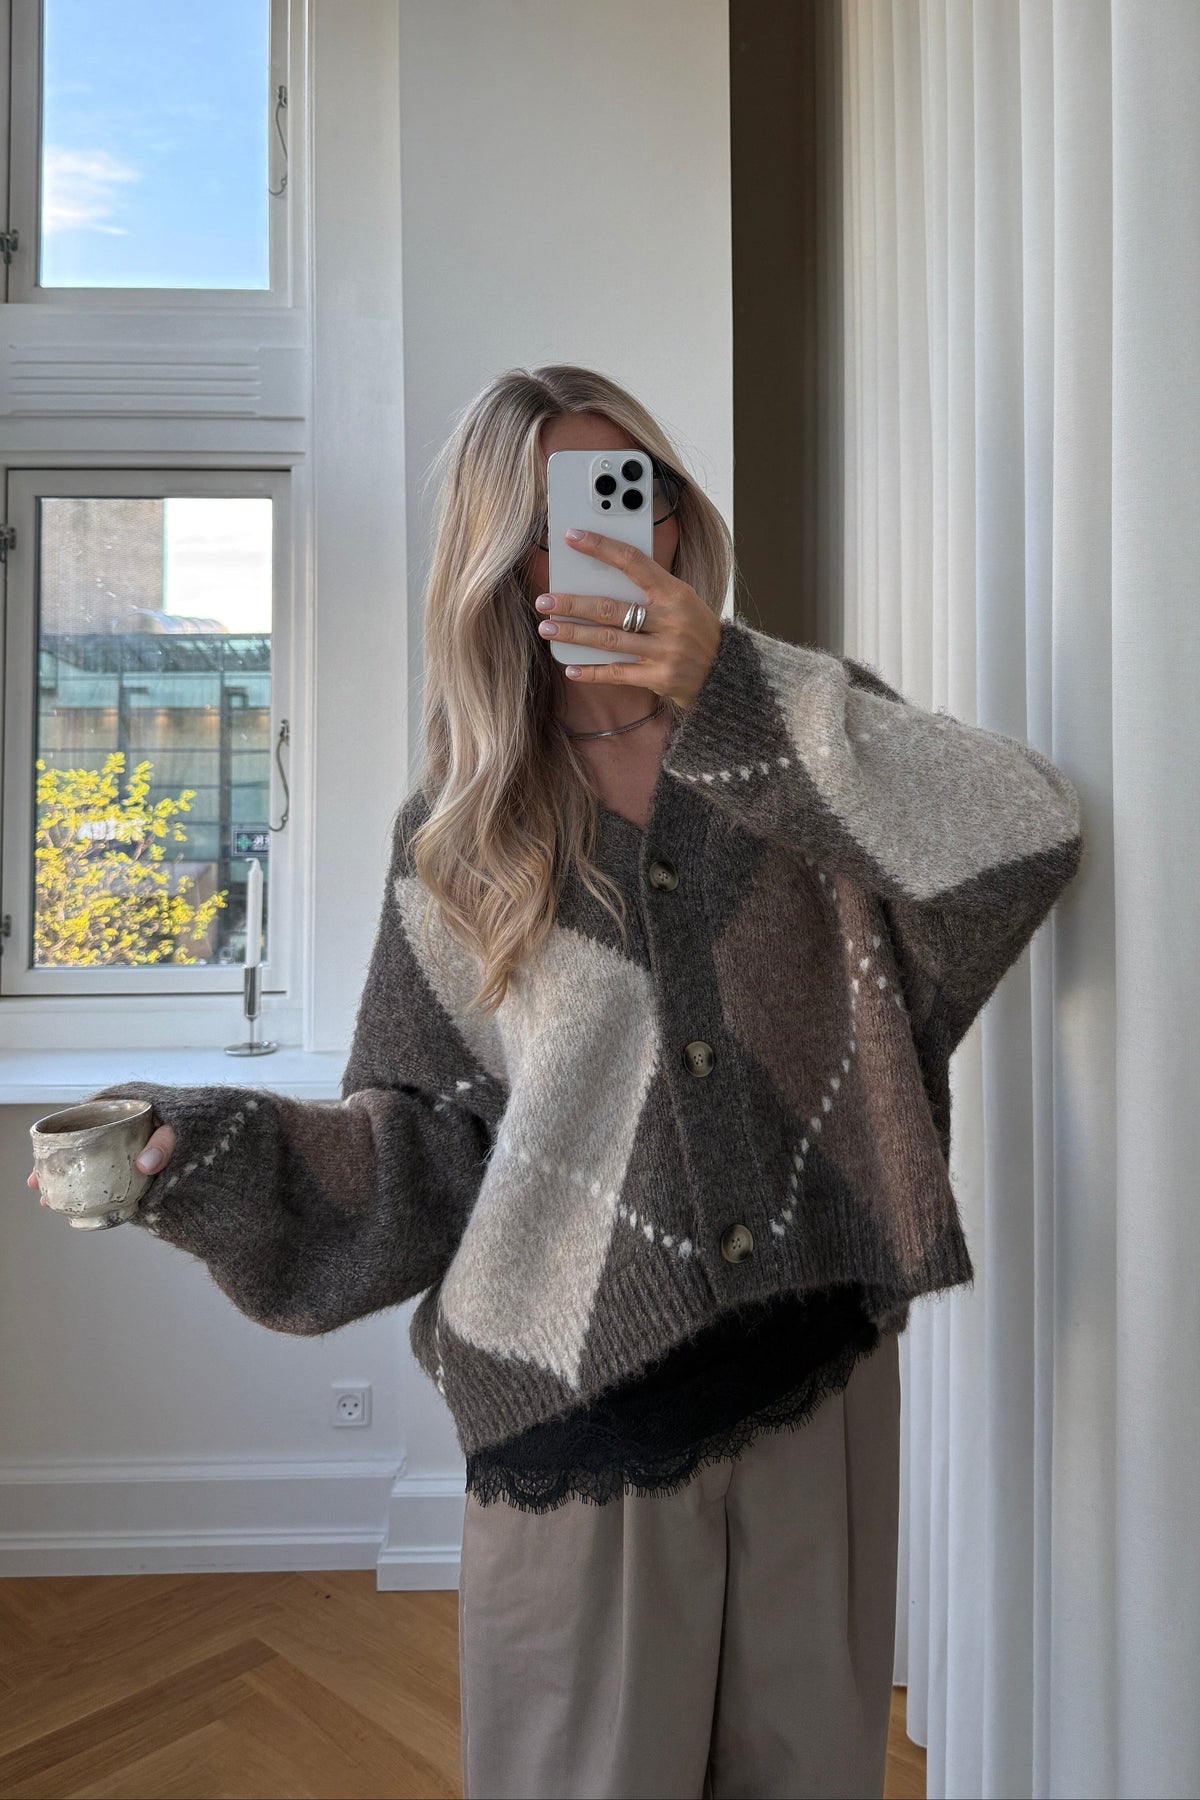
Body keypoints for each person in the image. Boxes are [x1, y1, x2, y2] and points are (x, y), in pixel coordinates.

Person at [28, 363, 1085, 1800]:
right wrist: (213, 1149)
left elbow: (1024, 836)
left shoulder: (799, 750)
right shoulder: (461, 837)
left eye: (626, 498)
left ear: (675, 520)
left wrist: (732, 688)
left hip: (818, 1390)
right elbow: (422, 1141)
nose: (593, 542)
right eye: (544, 523)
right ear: (497, 565)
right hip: (582, 1419)